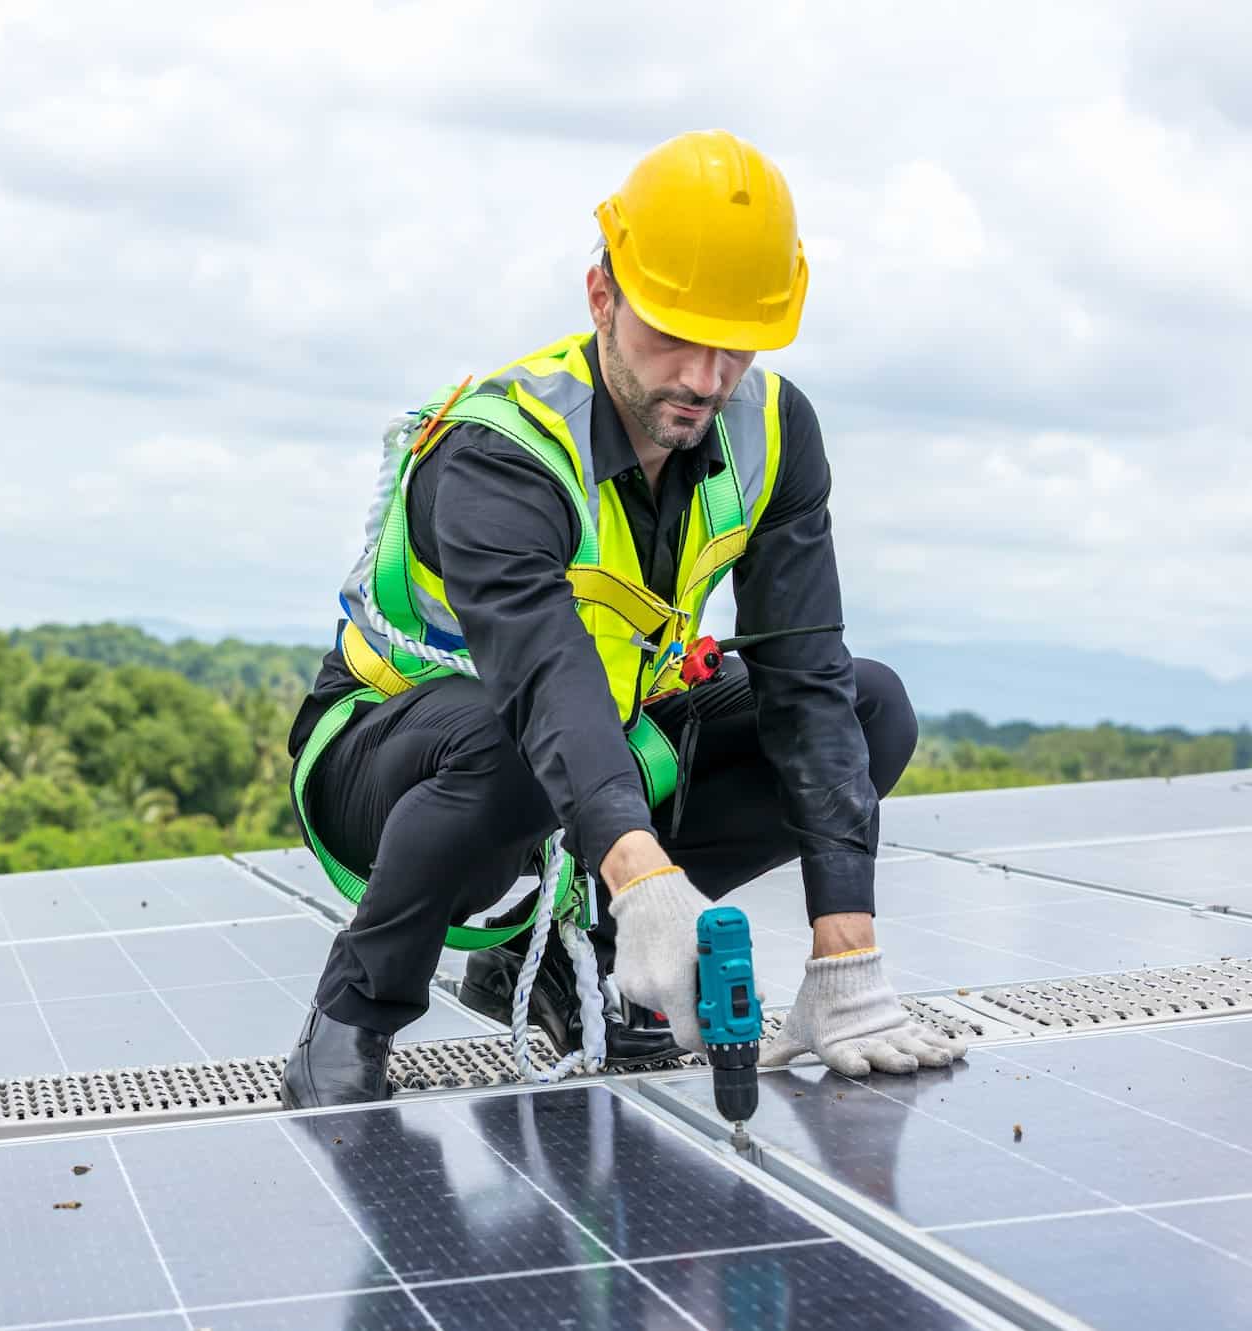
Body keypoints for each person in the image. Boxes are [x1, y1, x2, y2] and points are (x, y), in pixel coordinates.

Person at [279, 129, 968, 1108]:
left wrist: (844, 950)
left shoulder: (771, 431)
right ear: (601, 296)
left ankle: (583, 953)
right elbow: (541, 676)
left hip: (596, 747)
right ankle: (354, 1008)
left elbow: (801, 674)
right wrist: (645, 872)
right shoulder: (501, 448)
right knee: (514, 738)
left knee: (868, 708)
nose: (703, 375)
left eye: (732, 342)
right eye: (674, 334)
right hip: (399, 764)